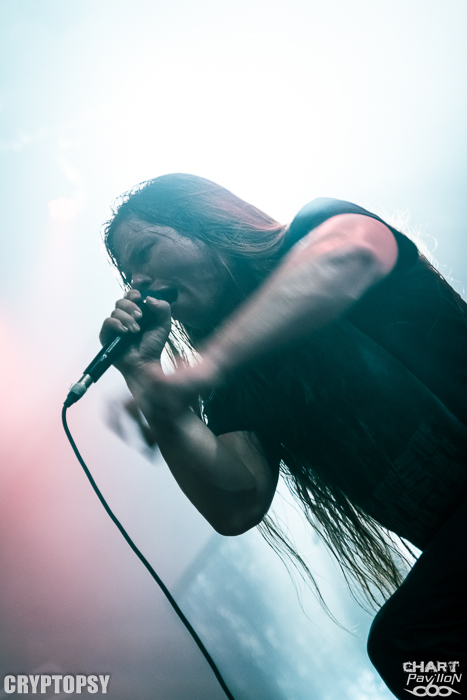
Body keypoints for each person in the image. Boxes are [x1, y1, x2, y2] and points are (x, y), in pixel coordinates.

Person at [99, 173, 467, 699]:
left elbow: (353, 257)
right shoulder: (241, 387)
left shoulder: (318, 225)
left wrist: (206, 368)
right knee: (420, 662)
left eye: (146, 251)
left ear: (201, 221)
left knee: (410, 643)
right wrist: (141, 371)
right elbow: (237, 505)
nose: (137, 282)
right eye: (128, 273)